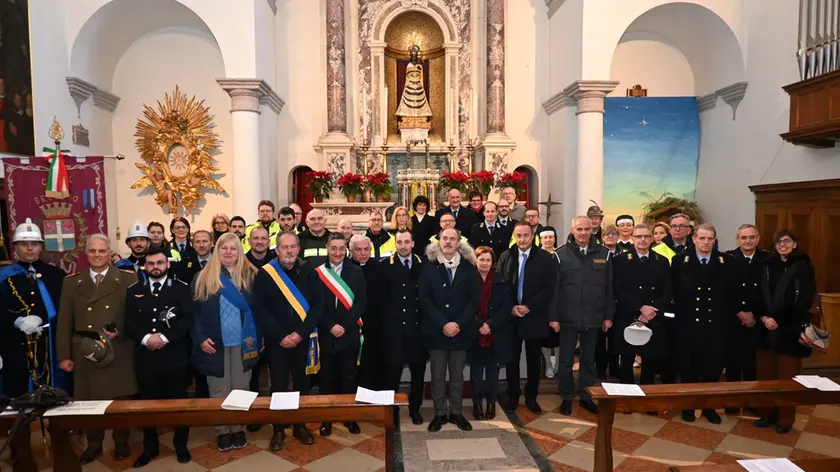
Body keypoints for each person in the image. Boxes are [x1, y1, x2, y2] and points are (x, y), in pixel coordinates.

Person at [57, 234, 138, 464]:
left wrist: (119, 331)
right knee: (89, 402)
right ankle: (94, 444)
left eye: (101, 251)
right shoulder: (72, 283)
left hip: (118, 348)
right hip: (85, 351)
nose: (97, 255)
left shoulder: (127, 279)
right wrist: (64, 355)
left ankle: (121, 441)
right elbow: (64, 321)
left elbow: (135, 315)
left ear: (109, 253)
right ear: (86, 253)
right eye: (92, 251)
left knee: (121, 400)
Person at [125, 247, 193, 467]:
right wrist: (147, 339)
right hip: (146, 359)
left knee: (178, 405)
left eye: (160, 263)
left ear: (168, 264)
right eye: (151, 263)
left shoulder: (181, 289)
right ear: (145, 266)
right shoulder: (134, 290)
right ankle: (150, 447)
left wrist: (164, 337)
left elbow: (186, 319)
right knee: (148, 406)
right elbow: (130, 322)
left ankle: (181, 444)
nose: (156, 267)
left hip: (174, 357)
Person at [191, 233, 259, 452]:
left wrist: (261, 338)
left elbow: (261, 311)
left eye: (233, 248)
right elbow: (194, 314)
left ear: (240, 252)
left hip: (243, 343)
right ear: (216, 250)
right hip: (214, 345)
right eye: (224, 248)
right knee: (219, 390)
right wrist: (200, 338)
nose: (229, 252)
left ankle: (238, 428)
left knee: (241, 387)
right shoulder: (202, 277)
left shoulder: (251, 276)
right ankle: (223, 430)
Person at [252, 231, 320, 450]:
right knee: (278, 385)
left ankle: (300, 426)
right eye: (284, 247)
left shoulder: (310, 272)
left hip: (303, 339)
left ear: (298, 249)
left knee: (303, 384)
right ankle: (279, 430)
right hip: (277, 341)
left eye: (293, 247)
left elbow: (319, 306)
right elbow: (260, 309)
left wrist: (300, 333)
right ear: (277, 249)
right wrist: (280, 336)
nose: (289, 251)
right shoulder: (265, 274)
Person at [671, 223, 734, 424]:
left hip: (715, 324)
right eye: (702, 238)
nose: (706, 243)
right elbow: (675, 292)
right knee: (688, 368)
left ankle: (709, 407)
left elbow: (729, 295)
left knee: (712, 368)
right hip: (688, 324)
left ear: (715, 240)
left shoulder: (725, 261)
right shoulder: (680, 261)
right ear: (694, 239)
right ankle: (687, 406)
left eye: (710, 239)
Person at [755, 230, 816, 434]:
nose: (783, 244)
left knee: (787, 378)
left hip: (789, 330)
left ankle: (785, 419)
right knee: (766, 376)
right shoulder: (767, 266)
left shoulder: (803, 267)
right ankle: (767, 414)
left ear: (795, 244)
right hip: (766, 329)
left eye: (787, 241)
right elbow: (759, 295)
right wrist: (764, 317)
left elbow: (804, 300)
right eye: (779, 241)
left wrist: (778, 320)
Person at [552, 217, 613, 415]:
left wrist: (608, 316)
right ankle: (567, 397)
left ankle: (587, 397)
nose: (583, 233)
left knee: (588, 360)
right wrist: (553, 317)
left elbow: (609, 288)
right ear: (572, 230)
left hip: (593, 317)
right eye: (579, 229)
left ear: (592, 230)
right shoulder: (560, 254)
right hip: (567, 318)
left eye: (587, 229)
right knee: (566, 360)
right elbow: (554, 290)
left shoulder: (604, 253)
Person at [421, 229, 479, 432]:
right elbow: (425, 299)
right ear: (439, 241)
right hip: (437, 332)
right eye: (444, 238)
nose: (448, 242)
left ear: (458, 243)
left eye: (452, 239)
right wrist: (443, 324)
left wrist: (458, 324)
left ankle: (456, 412)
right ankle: (439, 414)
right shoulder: (429, 267)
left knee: (456, 376)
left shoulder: (469, 268)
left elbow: (474, 302)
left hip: (459, 332)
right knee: (437, 375)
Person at [0, 219, 64, 399]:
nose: (29, 248)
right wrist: (16, 321)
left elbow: (64, 307)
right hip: (15, 346)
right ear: (15, 247)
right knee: (17, 397)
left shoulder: (57, 275)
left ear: (41, 246)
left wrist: (42, 318)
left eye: (34, 244)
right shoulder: (4, 277)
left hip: (49, 346)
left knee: (55, 397)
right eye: (24, 244)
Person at [498, 221, 557, 414]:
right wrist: (511, 308)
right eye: (518, 235)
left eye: (525, 235)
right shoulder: (506, 256)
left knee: (533, 359)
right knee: (512, 359)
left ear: (533, 237)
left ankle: (531, 397)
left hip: (535, 316)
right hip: (512, 317)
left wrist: (529, 307)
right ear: (514, 236)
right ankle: (513, 395)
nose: (522, 239)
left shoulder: (545, 258)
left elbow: (549, 288)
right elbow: (501, 286)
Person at [315, 234, 367, 436]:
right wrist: (330, 326)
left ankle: (349, 417)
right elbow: (316, 304)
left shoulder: (355, 272)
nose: (337, 252)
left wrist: (344, 325)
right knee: (326, 378)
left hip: (349, 332)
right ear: (327, 248)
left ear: (346, 249)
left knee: (349, 377)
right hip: (327, 334)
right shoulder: (318, 273)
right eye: (333, 248)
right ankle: (326, 419)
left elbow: (361, 302)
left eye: (341, 248)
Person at [612, 224, 672, 388]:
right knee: (627, 358)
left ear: (652, 238)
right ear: (632, 239)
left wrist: (651, 310)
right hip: (629, 314)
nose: (643, 240)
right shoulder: (620, 260)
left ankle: (647, 397)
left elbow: (668, 290)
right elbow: (618, 289)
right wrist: (640, 307)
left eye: (646, 236)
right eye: (638, 236)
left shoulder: (662, 261)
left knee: (650, 360)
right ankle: (626, 396)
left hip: (653, 316)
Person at [378, 230, 425, 423]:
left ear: (413, 243)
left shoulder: (425, 265)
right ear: (395, 244)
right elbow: (380, 301)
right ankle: (393, 412)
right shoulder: (385, 266)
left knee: (418, 375)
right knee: (392, 376)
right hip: (394, 330)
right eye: (399, 242)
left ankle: (415, 409)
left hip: (418, 330)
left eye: (407, 242)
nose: (403, 246)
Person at [724, 224, 769, 407]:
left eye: (752, 237)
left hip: (758, 320)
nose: (748, 241)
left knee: (754, 363)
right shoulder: (727, 259)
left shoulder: (767, 260)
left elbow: (769, 291)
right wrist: (740, 312)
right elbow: (724, 290)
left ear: (758, 238)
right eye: (744, 237)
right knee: (733, 362)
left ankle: (752, 402)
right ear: (737, 239)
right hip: (734, 319)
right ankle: (733, 402)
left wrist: (756, 315)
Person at [469, 246, 514, 421]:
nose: (485, 263)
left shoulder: (500, 280)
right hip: (475, 333)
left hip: (495, 333)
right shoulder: (469, 280)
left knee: (492, 374)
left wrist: (490, 325)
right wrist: (479, 324)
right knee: (477, 373)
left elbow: (506, 306)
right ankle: (477, 404)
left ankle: (491, 403)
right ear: (476, 260)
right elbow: (464, 305)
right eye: (482, 259)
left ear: (493, 263)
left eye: (488, 260)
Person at [350, 235, 383, 390]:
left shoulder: (379, 268)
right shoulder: (344, 268)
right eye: (358, 249)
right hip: (350, 326)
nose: (363, 253)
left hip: (374, 327)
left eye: (366, 249)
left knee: (372, 368)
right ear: (351, 251)